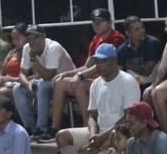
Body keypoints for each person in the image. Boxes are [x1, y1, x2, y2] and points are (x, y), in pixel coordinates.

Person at [55, 43, 140, 154]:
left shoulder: (128, 81)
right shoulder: (96, 83)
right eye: (97, 61)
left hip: (121, 133)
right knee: (62, 137)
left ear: (113, 61)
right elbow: (92, 115)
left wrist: (102, 136)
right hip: (99, 131)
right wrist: (94, 135)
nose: (98, 65)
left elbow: (128, 118)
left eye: (103, 61)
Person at [43, 8, 126, 140]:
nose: (96, 24)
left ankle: (88, 127)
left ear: (109, 23)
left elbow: (102, 65)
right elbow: (86, 66)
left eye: (100, 21)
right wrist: (66, 73)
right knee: (60, 82)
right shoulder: (96, 39)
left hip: (108, 81)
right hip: (94, 81)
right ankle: (54, 128)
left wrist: (80, 76)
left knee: (80, 85)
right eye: (94, 22)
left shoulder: (117, 38)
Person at [12, 24, 75, 138]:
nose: (32, 42)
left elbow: (48, 76)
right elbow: (22, 74)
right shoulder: (27, 48)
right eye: (29, 39)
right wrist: (27, 84)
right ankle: (30, 128)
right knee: (17, 89)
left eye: (35, 37)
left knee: (42, 86)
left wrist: (33, 59)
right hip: (48, 81)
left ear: (43, 37)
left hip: (67, 82)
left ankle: (42, 128)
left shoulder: (53, 47)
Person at [117, 15, 162, 89]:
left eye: (142, 27)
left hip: (154, 84)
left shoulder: (152, 43)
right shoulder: (122, 50)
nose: (142, 31)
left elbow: (147, 71)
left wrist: (129, 66)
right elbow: (118, 73)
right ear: (128, 33)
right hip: (132, 86)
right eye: (137, 29)